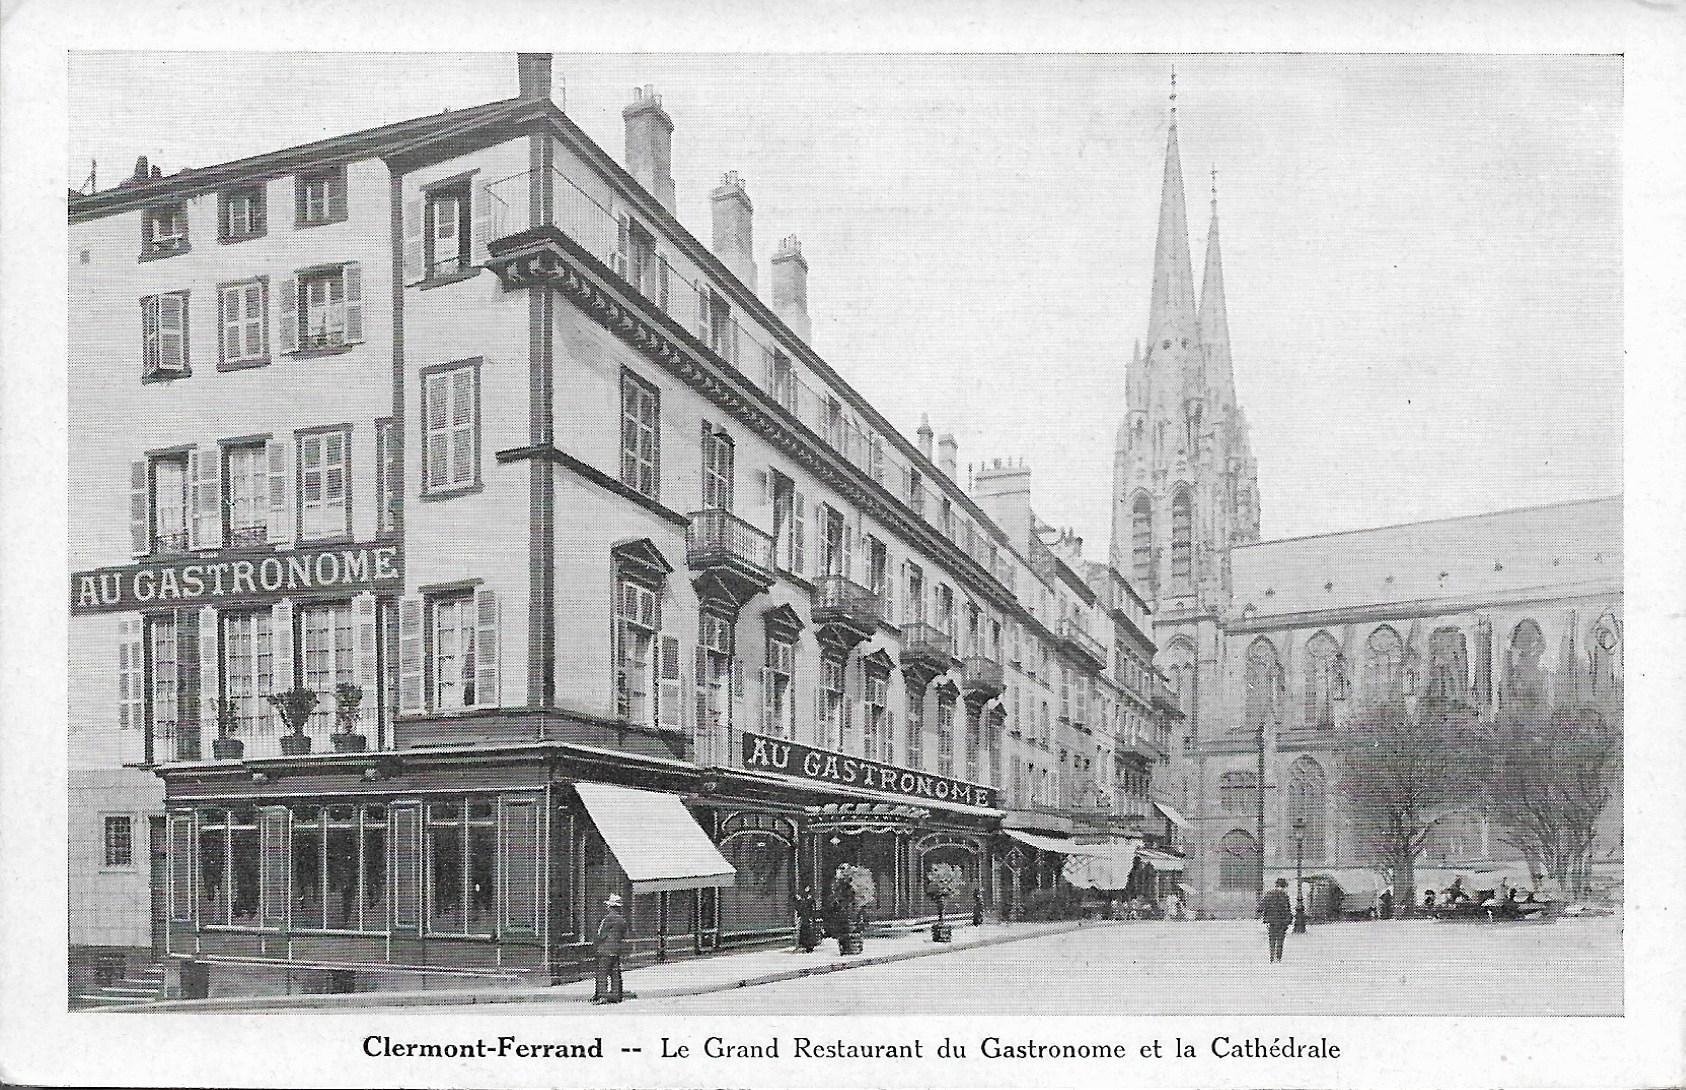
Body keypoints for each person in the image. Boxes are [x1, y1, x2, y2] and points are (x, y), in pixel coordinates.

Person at [592, 894, 630, 1004]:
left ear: (610, 907)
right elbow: (624, 935)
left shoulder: (608, 919)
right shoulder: (622, 920)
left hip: (605, 950)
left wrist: (596, 945)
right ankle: (616, 995)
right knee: (615, 973)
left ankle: (602, 995)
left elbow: (600, 934)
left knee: (602, 973)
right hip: (616, 949)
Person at [1260, 878, 1293, 963]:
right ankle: (1278, 958)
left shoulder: (1268, 894)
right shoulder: (1285, 896)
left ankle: (1272, 957)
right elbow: (1287, 910)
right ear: (1284, 886)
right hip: (1282, 921)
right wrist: (1289, 920)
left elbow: (1261, 907)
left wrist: (1266, 915)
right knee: (1280, 939)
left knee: (1272, 938)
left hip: (1271, 921)